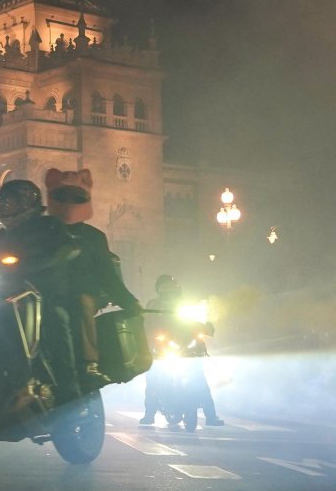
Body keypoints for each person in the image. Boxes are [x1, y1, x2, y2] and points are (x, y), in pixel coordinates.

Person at [43, 168, 142, 387]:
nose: (68, 202)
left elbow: (108, 275)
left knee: (82, 303)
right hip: (43, 295)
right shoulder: (41, 231)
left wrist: (129, 301)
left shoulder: (94, 237)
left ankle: (89, 363)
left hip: (79, 296)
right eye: (62, 196)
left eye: (74, 197)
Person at [0, 179, 81, 403]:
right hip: (5, 299)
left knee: (56, 321)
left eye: (10, 203)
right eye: (3, 203)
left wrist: (54, 258)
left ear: (27, 203)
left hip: (43, 295)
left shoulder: (49, 226)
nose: (5, 208)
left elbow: (70, 247)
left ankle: (69, 395)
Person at [140, 274, 223, 428]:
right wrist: (147, 341)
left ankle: (211, 416)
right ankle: (149, 414)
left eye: (171, 288)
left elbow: (195, 322)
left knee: (200, 381)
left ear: (177, 289)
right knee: (152, 380)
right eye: (165, 288)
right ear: (159, 290)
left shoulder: (185, 305)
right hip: (161, 350)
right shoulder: (153, 305)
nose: (169, 291)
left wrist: (206, 328)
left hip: (187, 350)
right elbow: (146, 325)